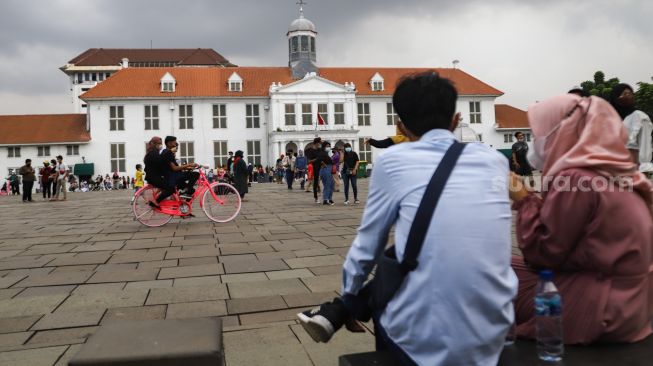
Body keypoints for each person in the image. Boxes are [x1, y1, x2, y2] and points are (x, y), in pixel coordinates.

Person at [297, 72, 517, 365]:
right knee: (411, 250)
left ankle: (339, 310)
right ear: (456, 120)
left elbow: (367, 246)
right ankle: (340, 310)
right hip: (492, 333)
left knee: (393, 263)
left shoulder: (393, 160)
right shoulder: (494, 161)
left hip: (424, 343)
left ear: (400, 125)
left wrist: (350, 298)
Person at [510, 94, 653, 344]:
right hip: (632, 304)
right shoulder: (614, 171)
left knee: (487, 270)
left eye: (538, 134)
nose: (534, 142)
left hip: (599, 310)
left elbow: (543, 252)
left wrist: (523, 199)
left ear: (562, 133)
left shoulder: (577, 178)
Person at [609, 83, 653, 173]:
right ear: (615, 98)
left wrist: (644, 170)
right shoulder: (610, 119)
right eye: (624, 94)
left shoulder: (639, 116)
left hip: (635, 170)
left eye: (630, 93)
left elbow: (645, 145)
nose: (628, 96)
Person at [305, 137, 323, 203]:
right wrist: (316, 159)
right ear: (316, 143)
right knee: (316, 183)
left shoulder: (320, 150)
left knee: (321, 182)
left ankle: (322, 195)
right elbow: (309, 161)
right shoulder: (311, 151)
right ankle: (316, 197)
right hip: (315, 168)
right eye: (319, 143)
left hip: (322, 167)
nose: (320, 144)